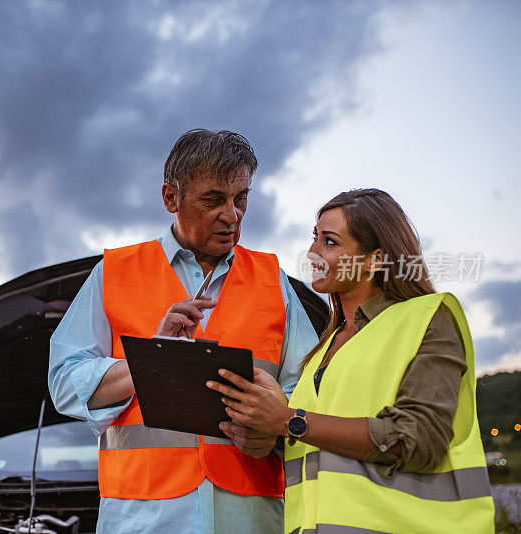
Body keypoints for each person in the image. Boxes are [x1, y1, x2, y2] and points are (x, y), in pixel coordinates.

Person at [48, 129, 318, 534]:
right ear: (171, 198)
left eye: (241, 198)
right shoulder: (114, 273)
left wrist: (275, 430)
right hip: (142, 519)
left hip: (252, 519)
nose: (233, 215)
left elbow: (313, 391)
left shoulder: (272, 279)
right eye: (214, 200)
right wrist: (151, 359)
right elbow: (64, 383)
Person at [208, 188, 495, 533]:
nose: (312, 252)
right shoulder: (321, 352)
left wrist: (287, 420)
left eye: (330, 242)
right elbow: (324, 449)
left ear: (375, 259)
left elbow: (419, 439)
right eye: (314, 239)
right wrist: (271, 437)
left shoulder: (428, 317)